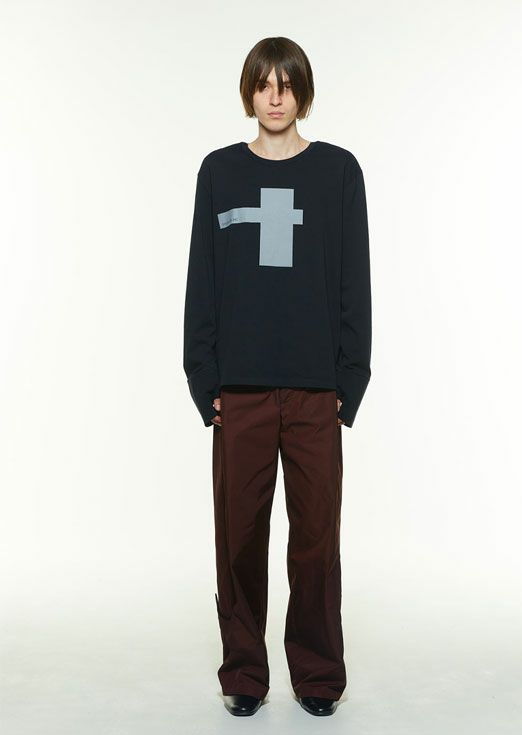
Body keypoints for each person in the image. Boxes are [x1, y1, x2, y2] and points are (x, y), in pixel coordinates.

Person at [183, 36, 372, 718]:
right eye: (263, 84)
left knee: (316, 542)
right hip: (240, 392)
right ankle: (244, 671)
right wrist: (204, 378)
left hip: (318, 391)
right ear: (249, 92)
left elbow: (354, 280)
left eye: (286, 84)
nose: (275, 96)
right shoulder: (219, 172)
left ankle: (318, 674)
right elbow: (203, 280)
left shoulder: (338, 172)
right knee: (238, 538)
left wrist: (350, 379)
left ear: (302, 92)